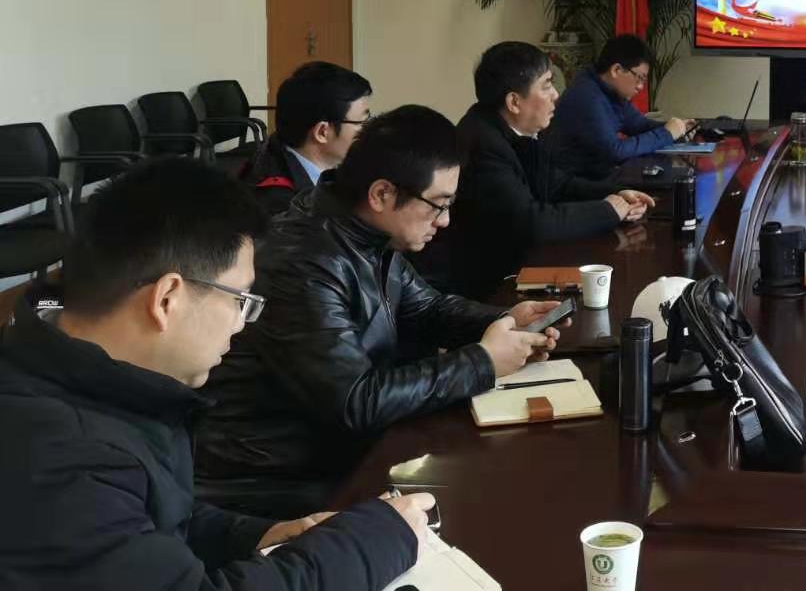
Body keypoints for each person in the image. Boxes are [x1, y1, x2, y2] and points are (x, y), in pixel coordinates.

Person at [0, 157, 434, 589]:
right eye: (240, 300)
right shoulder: (62, 460)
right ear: (167, 299)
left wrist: (261, 535)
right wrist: (373, 540)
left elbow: (158, 518)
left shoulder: (99, 372)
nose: (242, 324)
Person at [195, 105, 564, 519]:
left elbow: (427, 308)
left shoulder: (363, 230)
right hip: (282, 477)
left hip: (341, 447)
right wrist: (483, 361)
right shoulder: (303, 263)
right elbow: (355, 400)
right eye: (437, 205)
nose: (444, 221)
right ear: (382, 194)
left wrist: (506, 321)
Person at [420, 41, 656, 298]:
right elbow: (530, 222)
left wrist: (617, 194)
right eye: (546, 85)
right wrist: (608, 211)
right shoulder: (483, 143)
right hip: (483, 285)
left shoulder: (518, 128)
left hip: (515, 262)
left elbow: (556, 184)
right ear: (514, 102)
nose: (556, 95)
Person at [546, 34, 693, 179]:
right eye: (639, 78)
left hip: (597, 177)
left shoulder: (610, 90)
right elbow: (615, 151)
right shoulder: (586, 96)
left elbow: (639, 125)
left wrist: (678, 128)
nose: (641, 86)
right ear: (616, 70)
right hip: (574, 185)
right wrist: (667, 133)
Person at [245, 61, 373, 216]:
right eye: (362, 122)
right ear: (322, 132)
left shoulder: (286, 150)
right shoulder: (283, 206)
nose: (370, 130)